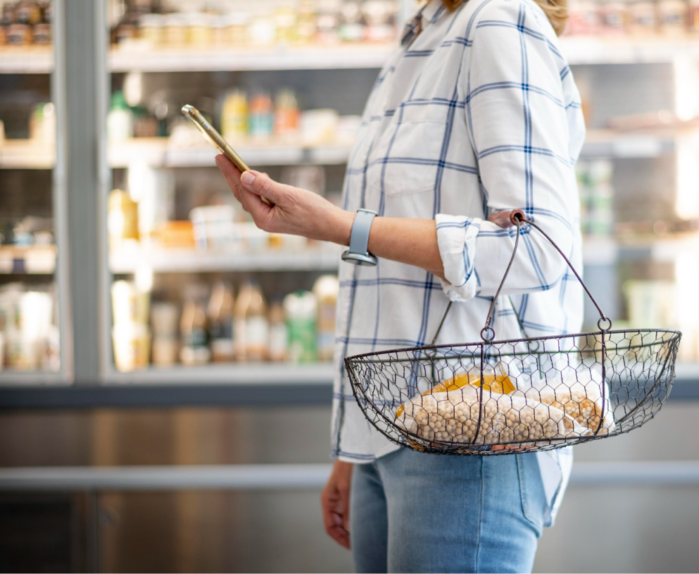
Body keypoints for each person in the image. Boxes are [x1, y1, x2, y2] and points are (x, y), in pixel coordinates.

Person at [217, 0, 584, 570]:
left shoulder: (498, 21)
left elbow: (536, 247)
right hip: (387, 429)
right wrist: (353, 448)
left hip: (473, 432)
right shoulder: (420, 35)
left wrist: (340, 226)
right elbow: (392, 291)